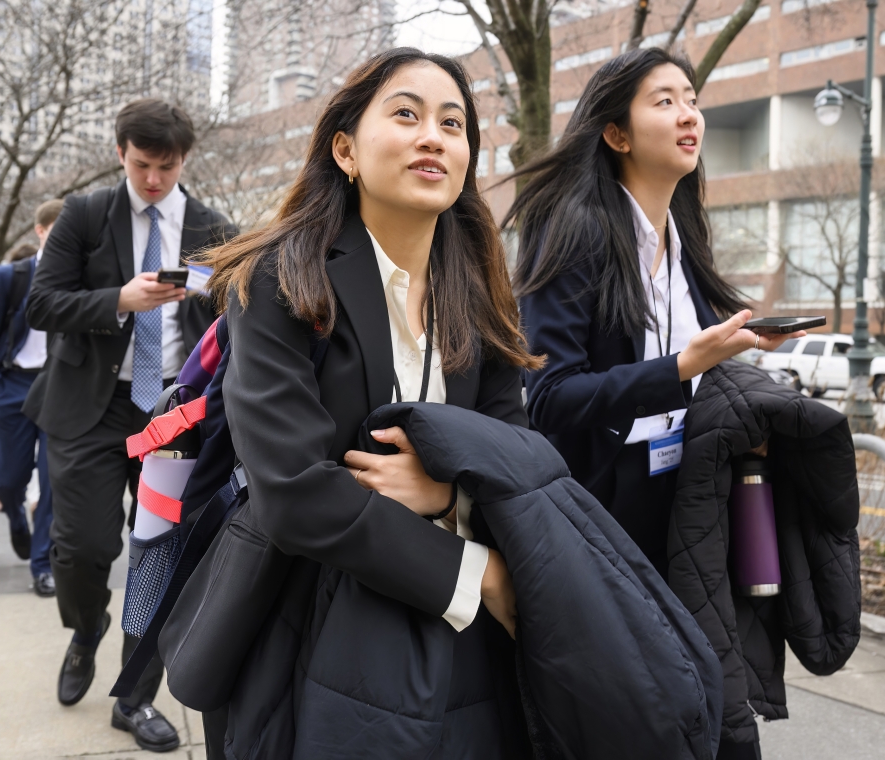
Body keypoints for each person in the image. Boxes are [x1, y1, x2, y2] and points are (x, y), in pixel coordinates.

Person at [199, 48, 542, 758]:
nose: (433, 137)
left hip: (459, 651)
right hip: (304, 624)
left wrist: (445, 492)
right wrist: (475, 574)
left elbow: (519, 454)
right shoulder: (280, 279)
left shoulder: (477, 293)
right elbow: (294, 492)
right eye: (407, 114)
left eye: (453, 124)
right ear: (346, 150)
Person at [510, 48, 805, 760]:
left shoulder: (682, 235)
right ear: (616, 132)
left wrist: (729, 373)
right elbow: (547, 399)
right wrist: (679, 367)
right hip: (605, 520)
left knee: (712, 717)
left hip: (688, 509)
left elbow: (699, 374)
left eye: (692, 98)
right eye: (664, 100)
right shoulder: (574, 226)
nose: (688, 114)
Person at [23, 98, 236, 752]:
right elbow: (42, 302)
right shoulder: (86, 215)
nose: (153, 180)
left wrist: (206, 284)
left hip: (172, 414)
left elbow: (237, 302)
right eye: (142, 165)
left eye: (166, 167)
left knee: (160, 561)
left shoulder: (210, 224)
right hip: (89, 409)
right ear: (121, 153)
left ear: (184, 160)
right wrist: (120, 299)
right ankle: (86, 631)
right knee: (83, 549)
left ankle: (134, 696)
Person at [0, 200, 64, 597]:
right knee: (9, 481)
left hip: (60, 390)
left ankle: (43, 565)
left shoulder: (80, 280)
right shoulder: (9, 277)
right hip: (14, 387)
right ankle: (16, 520)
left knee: (54, 481)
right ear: (41, 231)